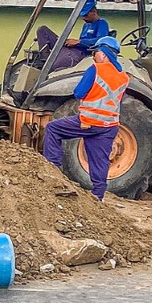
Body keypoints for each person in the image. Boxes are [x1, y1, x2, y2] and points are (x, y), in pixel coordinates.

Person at [43, 35, 129, 201]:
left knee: (53, 128)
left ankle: (52, 168)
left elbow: (79, 92)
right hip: (109, 125)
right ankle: (98, 195)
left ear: (103, 54)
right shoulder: (124, 76)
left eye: (96, 52)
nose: (94, 55)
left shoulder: (95, 69)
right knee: (100, 160)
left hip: (88, 121)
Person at [36, 0, 111, 72]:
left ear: (94, 11)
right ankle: (45, 60)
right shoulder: (86, 25)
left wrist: (79, 42)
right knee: (42, 30)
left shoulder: (102, 23)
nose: (83, 18)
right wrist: (71, 42)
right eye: (82, 16)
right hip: (74, 49)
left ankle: (49, 69)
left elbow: (101, 41)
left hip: (82, 53)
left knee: (59, 62)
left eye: (85, 15)